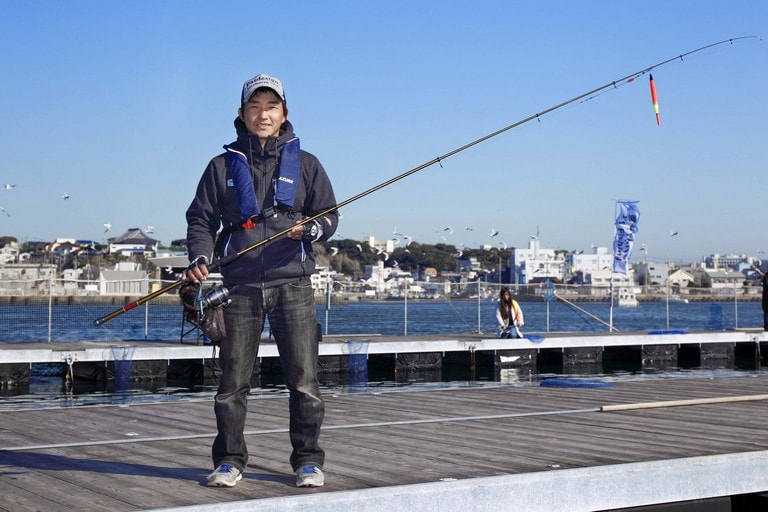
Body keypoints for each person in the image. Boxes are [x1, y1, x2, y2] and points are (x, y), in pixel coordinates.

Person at [184, 73, 339, 489]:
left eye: (271, 106)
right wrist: (199, 257)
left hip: (294, 285)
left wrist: (310, 231)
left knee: (304, 380)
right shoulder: (221, 166)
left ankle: (307, 461)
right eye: (255, 107)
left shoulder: (307, 165)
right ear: (242, 114)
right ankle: (229, 461)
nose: (263, 114)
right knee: (233, 383)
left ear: (284, 113)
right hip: (240, 288)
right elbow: (200, 219)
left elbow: (330, 217)